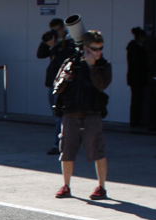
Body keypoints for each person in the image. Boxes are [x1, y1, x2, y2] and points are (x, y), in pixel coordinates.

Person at [52, 30, 111, 201]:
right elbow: (57, 86)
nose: (99, 52)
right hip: (71, 112)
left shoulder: (103, 65)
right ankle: (66, 185)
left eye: (100, 49)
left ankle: (101, 186)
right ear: (86, 48)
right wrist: (66, 78)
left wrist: (92, 67)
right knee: (67, 150)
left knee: (97, 149)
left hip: (92, 113)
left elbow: (101, 85)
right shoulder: (71, 62)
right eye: (95, 49)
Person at [37, 18, 75, 155]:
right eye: (53, 29)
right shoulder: (53, 42)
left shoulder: (70, 42)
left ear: (63, 28)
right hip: (52, 82)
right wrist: (47, 42)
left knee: (62, 116)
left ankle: (59, 144)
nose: (56, 32)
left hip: (64, 84)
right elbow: (40, 55)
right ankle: (61, 142)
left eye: (57, 29)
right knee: (56, 116)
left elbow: (64, 60)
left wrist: (54, 47)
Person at [126, 27, 149, 127]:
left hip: (135, 77)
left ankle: (136, 120)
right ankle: (135, 120)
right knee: (137, 99)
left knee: (137, 99)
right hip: (137, 77)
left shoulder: (134, 48)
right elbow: (138, 63)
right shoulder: (136, 49)